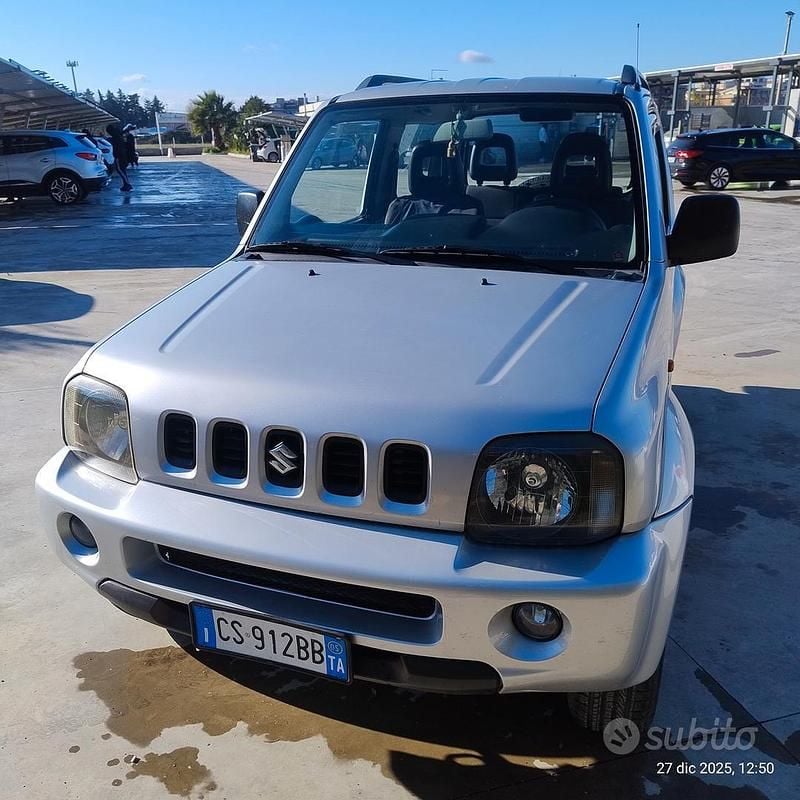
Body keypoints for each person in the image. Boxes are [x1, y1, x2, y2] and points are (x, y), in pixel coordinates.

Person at [106, 123, 133, 192]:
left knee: (120, 170)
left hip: (119, 156)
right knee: (123, 170)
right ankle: (126, 184)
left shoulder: (115, 138)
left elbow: (116, 148)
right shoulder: (118, 135)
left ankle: (127, 184)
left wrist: (116, 156)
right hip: (122, 155)